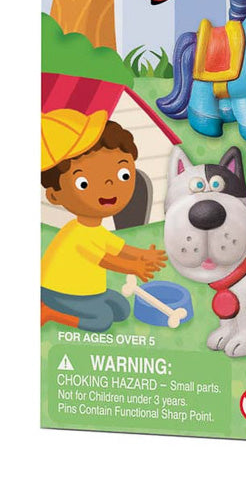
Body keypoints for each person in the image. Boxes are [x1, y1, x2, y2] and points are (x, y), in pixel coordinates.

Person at [41, 108, 166, 330]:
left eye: (123, 175)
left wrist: (143, 254)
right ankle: (50, 312)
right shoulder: (77, 234)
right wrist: (134, 267)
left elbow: (118, 248)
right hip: (60, 292)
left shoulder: (95, 230)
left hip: (89, 291)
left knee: (122, 309)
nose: (109, 186)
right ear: (54, 196)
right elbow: (107, 260)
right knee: (102, 321)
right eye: (84, 183)